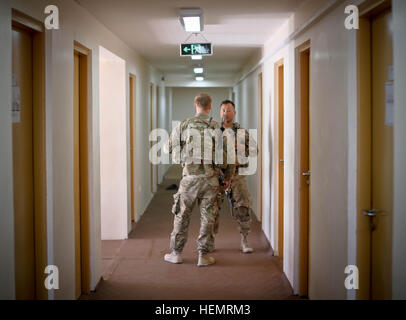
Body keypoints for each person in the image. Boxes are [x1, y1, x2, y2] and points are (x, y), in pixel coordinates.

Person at [163, 93, 234, 267]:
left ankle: (176, 253)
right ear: (210, 107)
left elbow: (167, 148)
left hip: (189, 179)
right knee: (208, 218)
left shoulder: (184, 125)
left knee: (182, 217)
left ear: (195, 105)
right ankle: (203, 256)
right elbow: (229, 158)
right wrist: (228, 178)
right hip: (210, 180)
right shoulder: (218, 127)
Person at [208, 100, 257, 254]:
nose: (225, 113)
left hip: (237, 175)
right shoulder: (214, 131)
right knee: (212, 208)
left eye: (228, 110)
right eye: (223, 110)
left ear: (234, 113)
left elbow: (255, 150)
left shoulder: (241, 131)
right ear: (219, 112)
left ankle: (244, 239)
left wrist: (241, 147)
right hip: (217, 175)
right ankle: (211, 239)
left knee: (243, 206)